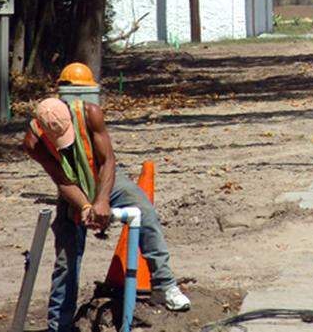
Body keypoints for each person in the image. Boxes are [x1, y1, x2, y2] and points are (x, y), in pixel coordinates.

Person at [25, 70, 190, 332]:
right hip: (74, 188)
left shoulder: (90, 113)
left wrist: (102, 200)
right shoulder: (33, 142)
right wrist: (85, 207)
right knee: (66, 256)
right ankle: (60, 325)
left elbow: (108, 161)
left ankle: (165, 285)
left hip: (105, 179)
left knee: (144, 211)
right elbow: (63, 181)